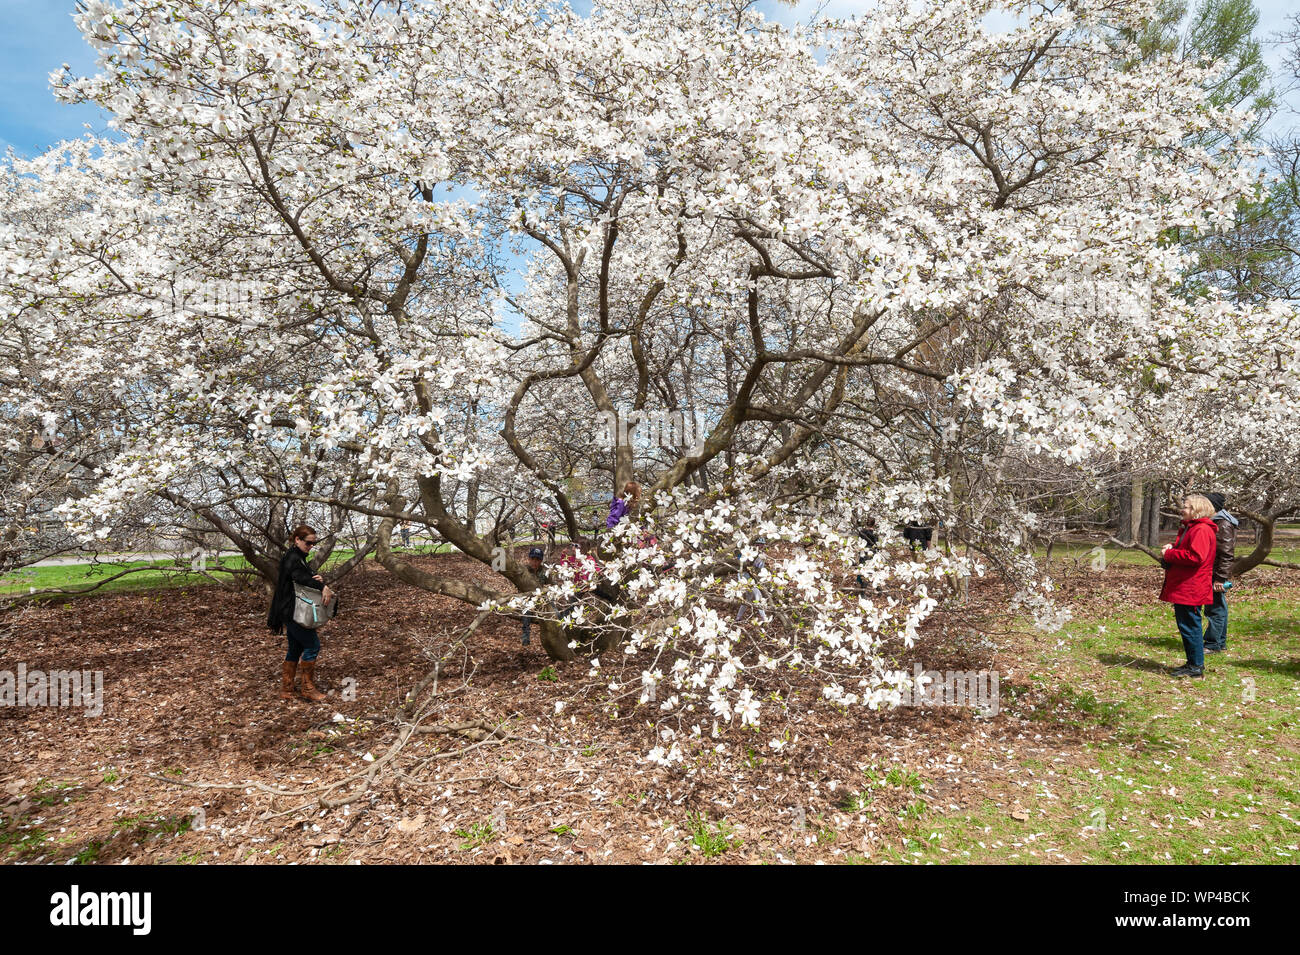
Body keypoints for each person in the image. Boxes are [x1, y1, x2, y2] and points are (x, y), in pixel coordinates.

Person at [267, 524, 335, 702]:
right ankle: (307, 688)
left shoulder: (297, 556)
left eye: (314, 543)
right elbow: (299, 577)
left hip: (291, 609)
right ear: (297, 540)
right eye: (308, 543)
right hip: (293, 610)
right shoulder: (292, 558)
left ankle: (287, 689)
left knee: (296, 648)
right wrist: (322, 587)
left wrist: (317, 578)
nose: (311, 546)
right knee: (313, 646)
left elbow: (303, 577)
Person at [1159, 495, 1217, 679]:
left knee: (1190, 625)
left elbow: (1196, 557)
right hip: (1188, 585)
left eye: (1186, 507)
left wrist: (1170, 554)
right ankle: (1193, 662)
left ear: (1196, 510)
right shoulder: (1193, 528)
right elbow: (1189, 550)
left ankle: (1195, 666)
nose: (1182, 510)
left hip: (1191, 586)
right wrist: (1174, 547)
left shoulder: (1200, 529)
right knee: (1188, 624)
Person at [1198, 492, 1237, 654]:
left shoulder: (1222, 524)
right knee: (1218, 606)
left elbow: (1227, 554)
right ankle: (1219, 642)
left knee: (1215, 609)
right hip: (1214, 571)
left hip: (1216, 573)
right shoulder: (1217, 522)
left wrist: (1220, 578)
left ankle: (1213, 643)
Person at [735, 541, 768, 625]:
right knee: (758, 596)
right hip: (746, 579)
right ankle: (764, 619)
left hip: (751, 579)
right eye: (758, 545)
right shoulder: (747, 554)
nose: (760, 547)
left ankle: (738, 618)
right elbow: (748, 565)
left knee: (748, 599)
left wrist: (762, 560)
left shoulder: (759, 554)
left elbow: (759, 568)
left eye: (761, 545)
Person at [521, 546, 547, 646]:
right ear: (529, 559)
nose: (535, 562)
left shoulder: (544, 571)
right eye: (533, 559)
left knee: (553, 612)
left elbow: (552, 585)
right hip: (527, 599)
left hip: (541, 598)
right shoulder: (524, 571)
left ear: (541, 561)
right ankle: (525, 636)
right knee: (526, 613)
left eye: (538, 560)